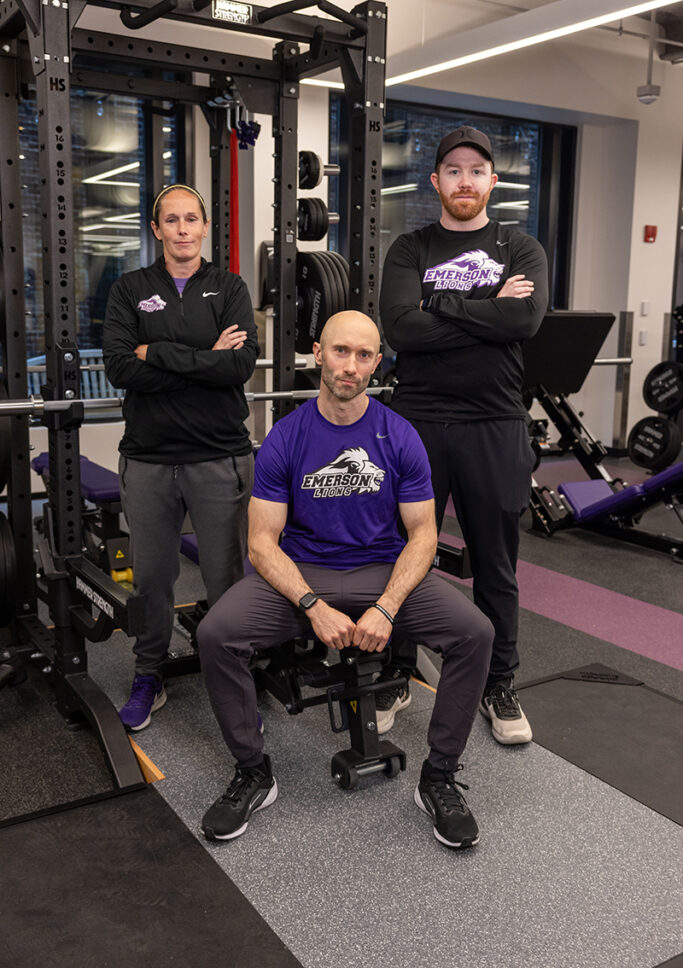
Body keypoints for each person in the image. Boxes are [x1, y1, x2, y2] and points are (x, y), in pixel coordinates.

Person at [197, 310, 494, 849]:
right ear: (318, 353)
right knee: (217, 634)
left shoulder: (399, 435)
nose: (350, 365)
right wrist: (312, 605)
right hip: (304, 572)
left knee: (474, 633)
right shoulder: (287, 437)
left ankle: (439, 777)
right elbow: (262, 542)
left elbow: (423, 534)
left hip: (383, 569)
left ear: (377, 363)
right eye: (340, 351)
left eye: (363, 355)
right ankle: (253, 771)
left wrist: (385, 609)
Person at [378, 126, 548, 745]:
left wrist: (441, 303)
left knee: (496, 566)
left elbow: (523, 319)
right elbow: (400, 329)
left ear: (492, 182)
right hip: (417, 422)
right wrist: (486, 307)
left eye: (477, 170)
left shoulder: (520, 247)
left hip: (494, 424)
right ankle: (395, 671)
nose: (465, 181)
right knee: (404, 554)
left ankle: (499, 682)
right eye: (453, 170)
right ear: (436, 182)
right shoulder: (409, 247)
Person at [103, 183, 259, 731]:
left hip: (218, 454)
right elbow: (121, 367)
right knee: (152, 578)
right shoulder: (129, 290)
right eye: (172, 220)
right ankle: (149, 673)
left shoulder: (230, 286)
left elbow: (238, 368)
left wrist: (160, 356)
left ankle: (234, 675)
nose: (183, 229)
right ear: (157, 229)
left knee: (226, 578)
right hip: (148, 457)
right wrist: (203, 358)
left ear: (205, 226)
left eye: (192, 218)